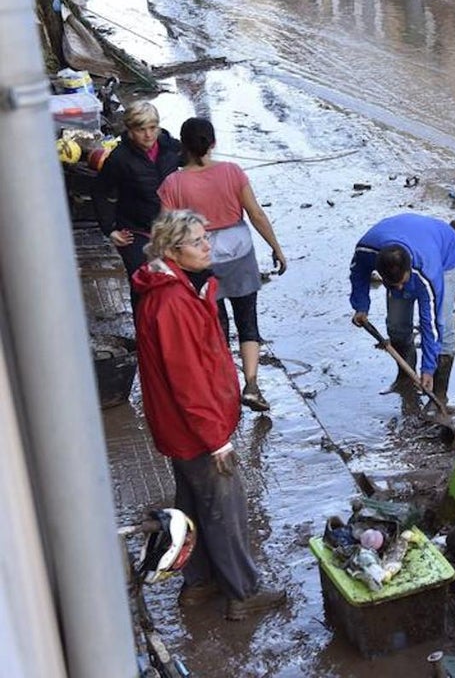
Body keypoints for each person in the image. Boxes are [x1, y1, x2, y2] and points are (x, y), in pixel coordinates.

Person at [132, 209, 286, 621]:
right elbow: (187, 381)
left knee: (193, 507)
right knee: (225, 509)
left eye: (206, 238)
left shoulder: (179, 289)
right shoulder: (172, 302)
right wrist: (216, 438)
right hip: (197, 431)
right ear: (172, 250)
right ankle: (243, 592)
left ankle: (198, 584)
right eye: (198, 241)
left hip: (183, 430)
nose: (208, 247)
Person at [159, 117, 287, 412]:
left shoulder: (173, 184)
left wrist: (168, 268)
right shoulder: (232, 172)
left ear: (183, 146)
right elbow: (255, 213)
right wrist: (276, 248)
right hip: (240, 252)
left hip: (200, 258)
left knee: (215, 327)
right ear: (212, 143)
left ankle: (224, 387)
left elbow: (167, 232)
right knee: (248, 322)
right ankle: (252, 385)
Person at [349, 214, 455, 412]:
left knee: (444, 327)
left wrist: (428, 368)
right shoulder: (366, 251)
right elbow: (358, 273)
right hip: (406, 234)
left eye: (403, 282)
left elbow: (432, 324)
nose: (400, 288)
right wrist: (361, 305)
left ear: (409, 269)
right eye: (393, 285)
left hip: (445, 251)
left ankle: (440, 394)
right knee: (397, 326)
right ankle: (405, 378)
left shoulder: (427, 273)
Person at [93, 101, 183, 314]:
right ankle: (145, 338)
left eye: (153, 128)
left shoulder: (171, 148)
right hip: (135, 231)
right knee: (143, 285)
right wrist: (110, 229)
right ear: (130, 131)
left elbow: (195, 165)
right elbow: (100, 191)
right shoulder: (119, 158)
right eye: (141, 130)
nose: (148, 135)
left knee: (175, 283)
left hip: (169, 228)